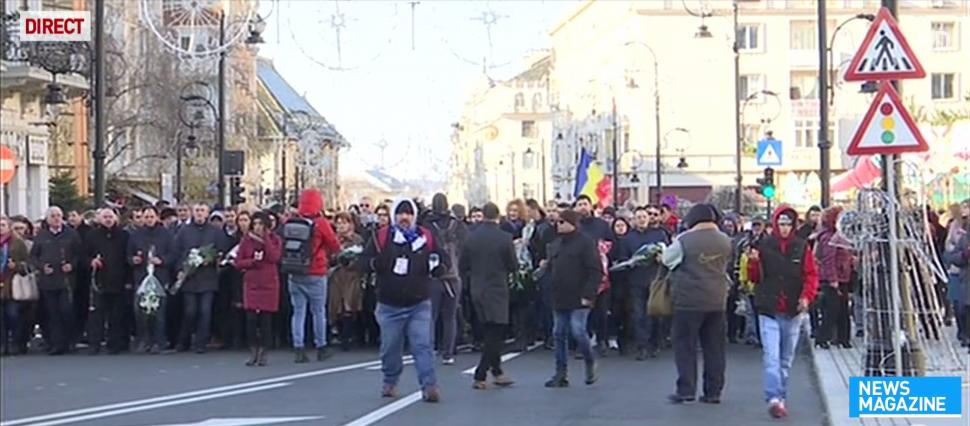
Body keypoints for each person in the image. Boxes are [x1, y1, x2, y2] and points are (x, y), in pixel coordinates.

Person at [359, 197, 449, 402]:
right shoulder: (381, 237)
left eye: (408, 213)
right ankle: (390, 382)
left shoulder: (425, 236)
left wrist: (440, 268)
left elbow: (441, 257)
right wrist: (376, 263)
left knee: (423, 344)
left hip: (419, 302)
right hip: (389, 304)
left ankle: (429, 386)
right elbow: (363, 262)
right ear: (394, 216)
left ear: (414, 216)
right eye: (400, 213)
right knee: (390, 347)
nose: (404, 217)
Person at [746, 206, 819, 419]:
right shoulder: (764, 245)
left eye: (788, 224)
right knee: (771, 356)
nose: (785, 228)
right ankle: (774, 398)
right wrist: (753, 262)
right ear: (775, 224)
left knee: (786, 358)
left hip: (792, 309)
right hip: (768, 308)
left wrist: (806, 297)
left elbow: (810, 275)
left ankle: (781, 396)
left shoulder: (801, 246)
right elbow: (755, 277)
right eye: (781, 224)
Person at [661, 204, 732, 404]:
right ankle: (713, 391)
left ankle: (686, 389)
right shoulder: (725, 241)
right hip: (717, 299)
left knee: (685, 345)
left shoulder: (685, 240)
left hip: (688, 300)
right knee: (715, 348)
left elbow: (668, 260)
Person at [461, 202, 517, 390]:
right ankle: (481, 373)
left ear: (483, 215)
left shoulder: (471, 237)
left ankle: (498, 371)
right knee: (496, 333)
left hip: (477, 288)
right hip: (497, 289)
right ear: (497, 216)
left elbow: (463, 265)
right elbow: (513, 265)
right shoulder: (505, 238)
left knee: (488, 330)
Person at [544, 209, 602, 388]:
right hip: (559, 296)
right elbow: (552, 267)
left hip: (579, 295)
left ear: (572, 223)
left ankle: (589, 359)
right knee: (559, 334)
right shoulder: (556, 243)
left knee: (578, 330)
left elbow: (595, 270)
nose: (558, 225)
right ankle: (561, 373)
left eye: (561, 222)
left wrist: (588, 294)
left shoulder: (585, 243)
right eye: (557, 222)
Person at [288, 189, 341, 363]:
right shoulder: (320, 223)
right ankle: (321, 346)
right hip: (316, 271)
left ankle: (298, 347)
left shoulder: (292, 221)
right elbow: (334, 244)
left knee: (298, 312)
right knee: (318, 311)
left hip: (294, 271)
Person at [618, 206, 671, 360]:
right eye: (638, 217)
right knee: (638, 314)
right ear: (633, 220)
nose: (642, 219)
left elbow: (666, 255)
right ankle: (642, 345)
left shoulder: (659, 235)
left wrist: (660, 258)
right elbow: (623, 258)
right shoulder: (628, 238)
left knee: (655, 313)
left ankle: (654, 343)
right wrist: (631, 262)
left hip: (654, 280)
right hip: (636, 281)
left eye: (644, 217)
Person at [30, 206, 83, 355]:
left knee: (66, 311)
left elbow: (79, 255)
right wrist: (41, 267)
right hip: (48, 281)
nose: (56, 218)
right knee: (52, 314)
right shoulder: (41, 236)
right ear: (47, 219)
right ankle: (56, 344)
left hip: (66, 280)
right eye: (53, 216)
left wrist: (71, 265)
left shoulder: (71, 235)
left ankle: (69, 342)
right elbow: (33, 256)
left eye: (59, 215)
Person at [421, 193, 467, 364]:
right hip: (454, 276)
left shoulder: (426, 224)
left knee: (431, 316)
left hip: (432, 276)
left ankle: (430, 349)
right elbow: (465, 248)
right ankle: (448, 353)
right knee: (450, 316)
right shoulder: (458, 225)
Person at [173, 203, 223, 353]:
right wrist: (180, 269)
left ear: (207, 214)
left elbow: (221, 251)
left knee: (205, 311)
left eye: (202, 211)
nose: (200, 214)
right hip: (189, 277)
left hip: (208, 277)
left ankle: (201, 343)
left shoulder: (215, 232)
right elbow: (177, 251)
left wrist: (212, 259)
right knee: (190, 311)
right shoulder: (184, 231)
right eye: (197, 211)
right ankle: (184, 341)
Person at [236, 212, 282, 366]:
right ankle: (252, 351)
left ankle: (263, 352)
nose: (257, 227)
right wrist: (252, 262)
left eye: (261, 224)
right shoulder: (246, 240)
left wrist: (266, 239)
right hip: (252, 283)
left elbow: (274, 257)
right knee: (250, 320)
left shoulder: (275, 239)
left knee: (265, 321)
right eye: (255, 224)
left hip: (268, 283)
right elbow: (238, 262)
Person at [128, 206, 175, 354]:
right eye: (146, 217)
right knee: (140, 311)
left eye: (151, 216)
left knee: (158, 311)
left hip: (159, 277)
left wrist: (161, 260)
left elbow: (173, 254)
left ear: (157, 217)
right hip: (141, 277)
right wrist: (133, 259)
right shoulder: (135, 235)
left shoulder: (166, 234)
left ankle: (159, 341)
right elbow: (128, 255)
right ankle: (144, 340)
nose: (148, 220)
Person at [84, 208, 131, 355]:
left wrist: (128, 280)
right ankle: (94, 344)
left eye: (110, 216)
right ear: (99, 219)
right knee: (96, 316)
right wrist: (91, 261)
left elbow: (128, 258)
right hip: (99, 281)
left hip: (119, 280)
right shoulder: (91, 236)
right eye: (105, 217)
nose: (108, 219)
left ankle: (115, 344)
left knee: (116, 315)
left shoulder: (124, 235)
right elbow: (83, 255)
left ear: (116, 219)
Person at [814, 206, 854, 350]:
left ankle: (842, 338)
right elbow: (828, 260)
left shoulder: (838, 236)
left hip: (841, 277)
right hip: (834, 279)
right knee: (832, 310)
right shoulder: (829, 237)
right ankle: (824, 337)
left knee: (842, 309)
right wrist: (833, 279)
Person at [329, 212, 364, 351]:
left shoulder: (357, 239)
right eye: (338, 223)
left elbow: (360, 259)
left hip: (351, 277)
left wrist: (349, 260)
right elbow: (328, 256)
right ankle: (339, 333)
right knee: (336, 306)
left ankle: (348, 337)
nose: (341, 226)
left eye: (344, 222)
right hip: (336, 276)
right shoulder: (333, 239)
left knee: (349, 306)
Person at [0, 217, 30, 356]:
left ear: (9, 227)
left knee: (12, 315)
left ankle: (17, 343)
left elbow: (27, 265)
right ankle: (2, 345)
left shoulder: (17, 243)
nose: (0, 228)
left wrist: (16, 266)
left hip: (11, 284)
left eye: (3, 225)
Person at [943, 210, 970, 354]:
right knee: (961, 308)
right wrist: (964, 255)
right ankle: (964, 334)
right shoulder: (962, 233)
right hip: (962, 276)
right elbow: (950, 254)